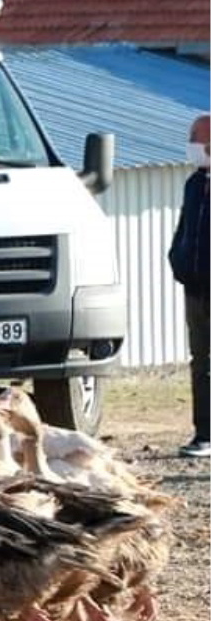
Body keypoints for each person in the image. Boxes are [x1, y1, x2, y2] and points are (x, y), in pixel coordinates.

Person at [171, 114, 210, 458]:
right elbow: (184, 229)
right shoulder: (194, 184)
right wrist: (178, 261)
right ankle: (204, 433)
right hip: (196, 288)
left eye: (195, 138)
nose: (192, 145)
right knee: (201, 360)